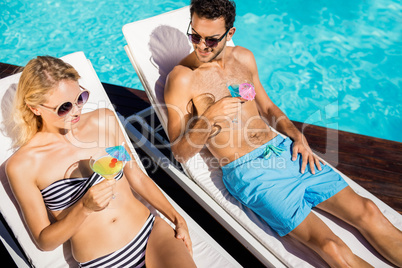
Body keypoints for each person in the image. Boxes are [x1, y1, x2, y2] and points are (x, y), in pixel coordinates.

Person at [164, 0, 402, 266]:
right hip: (252, 173)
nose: (200, 45)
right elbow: (179, 151)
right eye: (194, 35)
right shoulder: (182, 77)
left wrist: (296, 135)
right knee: (332, 247)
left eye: (211, 39)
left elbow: (266, 107)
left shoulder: (243, 57)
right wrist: (208, 118)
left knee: (369, 211)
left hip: (285, 149)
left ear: (230, 33)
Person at [6, 56, 196, 268]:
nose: (77, 110)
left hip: (152, 234)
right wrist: (84, 208)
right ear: (35, 108)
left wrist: (178, 219)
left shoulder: (103, 121)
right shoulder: (23, 166)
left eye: (80, 97)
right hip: (103, 261)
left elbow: (136, 177)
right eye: (64, 107)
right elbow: (44, 240)